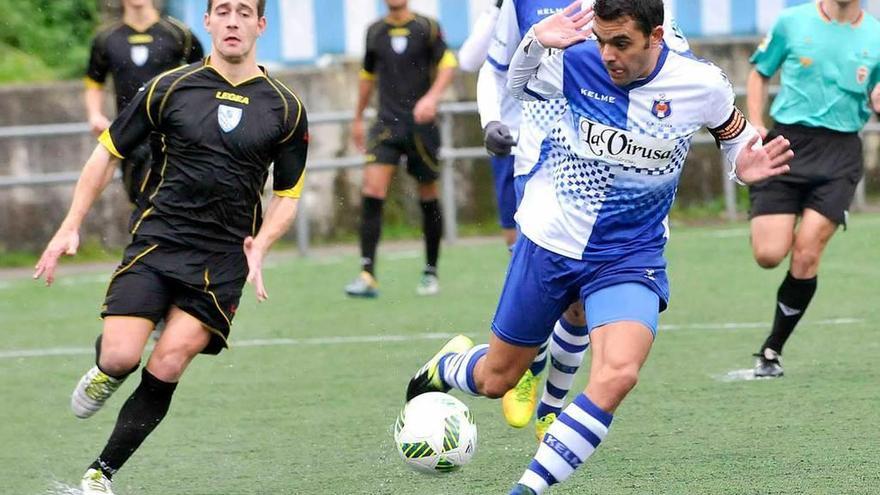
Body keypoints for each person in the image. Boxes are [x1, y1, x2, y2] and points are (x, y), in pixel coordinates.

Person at [405, 1, 793, 493]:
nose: (608, 54)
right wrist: (535, 42)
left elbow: (732, 133)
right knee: (496, 380)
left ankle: (525, 488)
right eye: (603, 40)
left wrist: (745, 165)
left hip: (630, 255)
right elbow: (516, 87)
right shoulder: (578, 59)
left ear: (656, 36)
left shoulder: (702, 83)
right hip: (550, 242)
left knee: (617, 376)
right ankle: (447, 366)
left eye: (621, 43)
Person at [34, 1, 308, 493]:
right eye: (222, 10)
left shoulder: (285, 106)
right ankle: (105, 369)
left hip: (223, 258)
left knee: (168, 361)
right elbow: (106, 153)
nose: (232, 20)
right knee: (121, 356)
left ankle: (100, 475)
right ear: (206, 22)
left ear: (260, 25)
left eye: (244, 12)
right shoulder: (169, 87)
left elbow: (288, 196)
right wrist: (70, 225)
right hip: (160, 239)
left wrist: (261, 244)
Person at [470, 0, 690, 438]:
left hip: (613, 165)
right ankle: (527, 366)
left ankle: (552, 406)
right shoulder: (523, 4)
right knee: (541, 284)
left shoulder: (643, 6)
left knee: (583, 302)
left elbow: (669, 61)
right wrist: (490, 118)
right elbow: (492, 66)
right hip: (540, 160)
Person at [746, 0, 880, 378]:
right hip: (788, 144)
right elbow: (759, 72)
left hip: (840, 153)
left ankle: (772, 349)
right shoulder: (792, 21)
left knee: (806, 254)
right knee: (769, 254)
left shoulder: (876, 35)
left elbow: (876, 90)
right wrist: (755, 122)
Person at [345, 0, 457, 298]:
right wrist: (357, 117)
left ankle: (431, 271)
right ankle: (367, 273)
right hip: (386, 125)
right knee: (372, 190)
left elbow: (448, 64)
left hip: (422, 126)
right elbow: (367, 76)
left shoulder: (427, 27)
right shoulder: (374, 32)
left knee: (428, 192)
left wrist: (431, 98)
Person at [85, 0, 204, 206]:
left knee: (173, 200)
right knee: (139, 200)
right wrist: (95, 114)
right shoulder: (106, 39)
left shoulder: (179, 34)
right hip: (130, 135)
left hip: (172, 133)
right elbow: (95, 82)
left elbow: (203, 76)